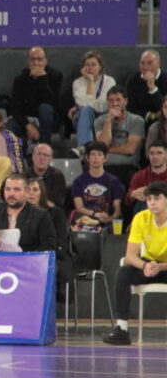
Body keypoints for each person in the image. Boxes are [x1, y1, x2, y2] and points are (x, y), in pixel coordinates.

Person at [104, 179, 167, 345]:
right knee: (124, 271)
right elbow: (130, 255)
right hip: (149, 264)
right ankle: (122, 329)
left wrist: (159, 267)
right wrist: (146, 266)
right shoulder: (141, 218)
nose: (152, 203)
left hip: (165, 265)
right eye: (149, 199)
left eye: (157, 198)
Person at [8, 46, 62, 145]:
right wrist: (28, 126)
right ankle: (16, 157)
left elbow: (52, 102)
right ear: (28, 61)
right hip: (26, 118)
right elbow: (15, 108)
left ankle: (44, 148)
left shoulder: (55, 76)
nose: (36, 63)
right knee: (11, 126)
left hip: (47, 119)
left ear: (46, 61)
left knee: (45, 108)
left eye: (39, 59)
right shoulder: (20, 80)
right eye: (33, 59)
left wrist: (42, 79)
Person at [94, 86, 144, 184]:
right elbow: (103, 145)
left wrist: (107, 150)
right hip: (104, 167)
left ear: (125, 101)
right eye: (111, 100)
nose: (115, 104)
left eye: (118, 100)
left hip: (128, 167)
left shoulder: (137, 120)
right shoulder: (100, 121)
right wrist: (108, 121)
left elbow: (130, 149)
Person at [71, 141, 124, 229]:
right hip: (85, 220)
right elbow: (79, 207)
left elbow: (117, 208)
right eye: (93, 155)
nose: (96, 158)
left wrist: (111, 218)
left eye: (99, 155)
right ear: (87, 158)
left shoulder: (113, 181)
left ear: (105, 158)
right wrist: (96, 215)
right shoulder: (79, 181)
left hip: (107, 220)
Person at [70, 50, 115, 151]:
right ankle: (84, 147)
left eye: (93, 64)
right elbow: (82, 105)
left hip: (102, 116)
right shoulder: (78, 83)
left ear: (100, 67)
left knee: (87, 109)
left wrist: (89, 103)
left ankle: (85, 149)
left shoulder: (109, 81)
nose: (90, 68)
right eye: (87, 65)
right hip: (81, 118)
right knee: (86, 111)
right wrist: (90, 81)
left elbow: (103, 106)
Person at [125, 49, 167, 122]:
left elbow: (165, 107)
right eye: (142, 63)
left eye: (149, 63)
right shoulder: (133, 80)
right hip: (138, 120)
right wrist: (151, 115)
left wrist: (153, 89)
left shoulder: (165, 79)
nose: (145, 67)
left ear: (159, 64)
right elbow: (130, 107)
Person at [126, 142, 167, 215]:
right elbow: (127, 201)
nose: (155, 157)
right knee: (142, 203)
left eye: (159, 153)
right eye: (152, 153)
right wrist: (133, 194)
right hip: (145, 212)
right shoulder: (140, 175)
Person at [25, 142, 67, 207]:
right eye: (39, 154)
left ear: (51, 159)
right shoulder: (24, 175)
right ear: (33, 157)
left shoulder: (57, 175)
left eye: (46, 155)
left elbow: (59, 200)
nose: (42, 158)